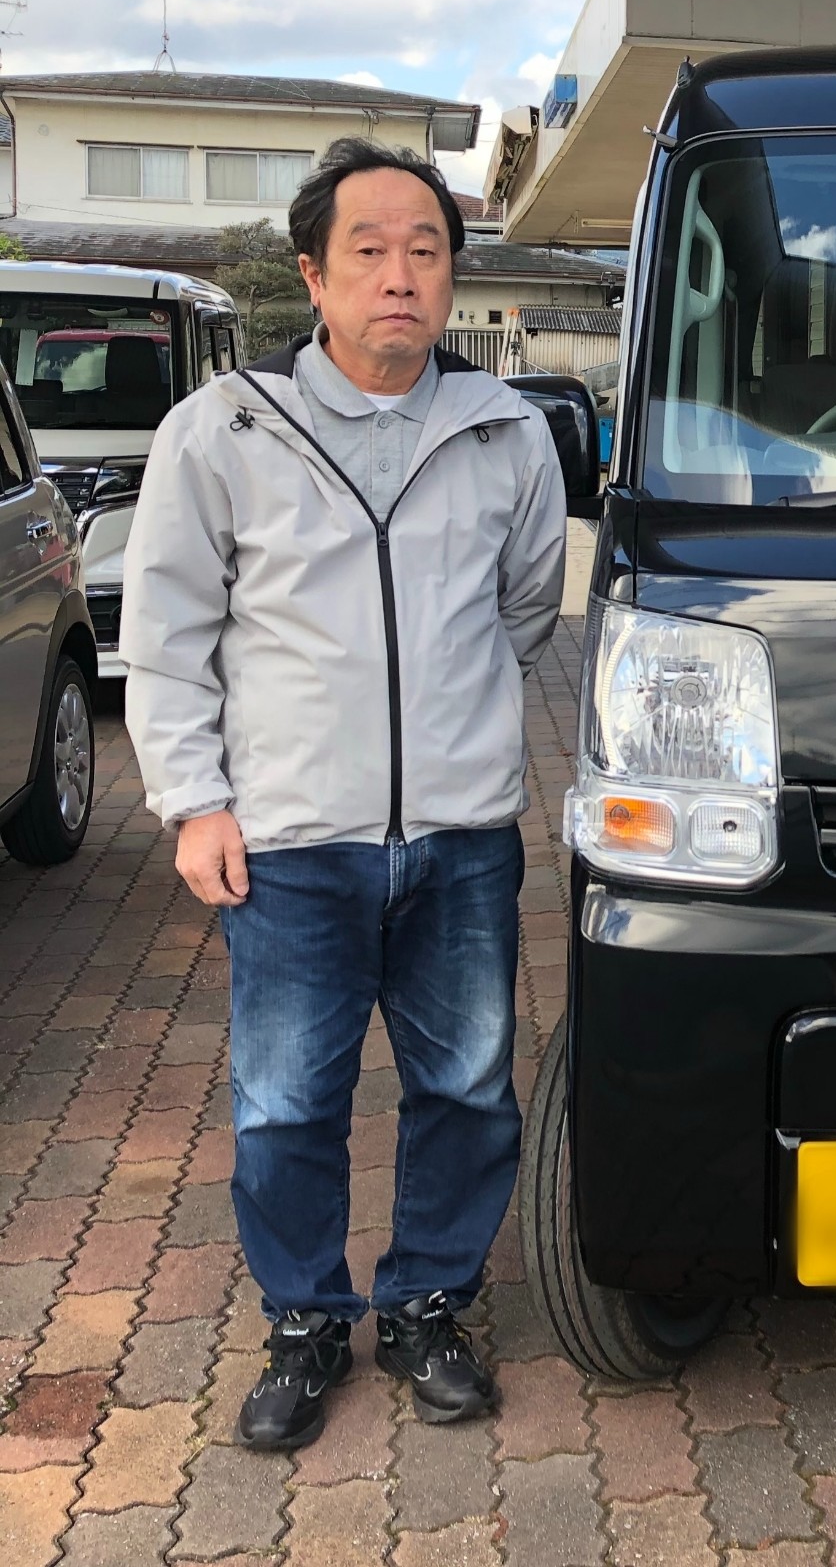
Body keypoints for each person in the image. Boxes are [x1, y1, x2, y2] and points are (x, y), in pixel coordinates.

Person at [121, 137, 567, 1450]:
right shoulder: (225, 430)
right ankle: (306, 1321)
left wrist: (446, 724)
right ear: (314, 276)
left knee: (468, 1090)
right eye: (368, 251)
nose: (399, 276)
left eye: (425, 250)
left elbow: (526, 607)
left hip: (462, 835)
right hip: (291, 841)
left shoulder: (507, 433)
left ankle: (429, 1304)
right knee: (285, 1103)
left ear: (452, 276)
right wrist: (194, 799)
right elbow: (168, 633)